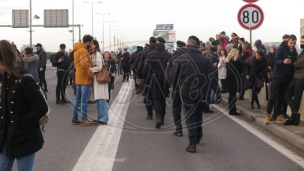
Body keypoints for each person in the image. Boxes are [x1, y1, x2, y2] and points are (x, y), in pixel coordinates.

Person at [0, 40, 48, 171]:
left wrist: (22, 121)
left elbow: (42, 107)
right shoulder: (4, 77)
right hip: (6, 135)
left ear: (4, 60)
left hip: (25, 136)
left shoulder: (25, 79)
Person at [169, 36, 217, 153]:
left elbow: (172, 75)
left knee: (190, 116)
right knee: (198, 113)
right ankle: (198, 133)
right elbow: (212, 77)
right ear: (198, 46)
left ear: (188, 45)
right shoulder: (205, 60)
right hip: (201, 91)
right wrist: (216, 91)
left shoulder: (181, 59)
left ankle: (192, 143)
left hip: (186, 91)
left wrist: (173, 87)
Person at [264, 35, 298, 125]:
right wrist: (283, 62)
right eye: (291, 43)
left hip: (287, 78)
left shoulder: (294, 52)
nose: (292, 45)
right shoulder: (281, 49)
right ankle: (267, 115)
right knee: (273, 96)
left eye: (294, 43)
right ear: (288, 41)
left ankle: (279, 115)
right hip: (278, 76)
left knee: (281, 97)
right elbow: (275, 61)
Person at [143, 37, 171, 129]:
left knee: (156, 98)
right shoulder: (168, 55)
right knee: (163, 98)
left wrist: (146, 81)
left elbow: (146, 69)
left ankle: (158, 116)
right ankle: (162, 118)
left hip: (154, 79)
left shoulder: (151, 54)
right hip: (165, 79)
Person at [71, 34, 96, 126]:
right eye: (91, 42)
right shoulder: (83, 51)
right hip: (85, 78)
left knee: (77, 99)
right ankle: (84, 119)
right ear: (88, 42)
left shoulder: (76, 50)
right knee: (84, 100)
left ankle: (74, 117)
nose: (91, 44)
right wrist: (91, 76)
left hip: (78, 77)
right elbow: (85, 65)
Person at [165, 40, 187, 137]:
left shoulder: (173, 58)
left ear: (177, 47)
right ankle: (194, 131)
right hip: (190, 87)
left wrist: (167, 87)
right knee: (190, 109)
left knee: (176, 108)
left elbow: (169, 74)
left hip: (177, 87)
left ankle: (179, 129)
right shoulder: (190, 57)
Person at [284, 35, 304, 126]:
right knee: (287, 95)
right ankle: (295, 113)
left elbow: (298, 63)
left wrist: (293, 63)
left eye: (302, 42)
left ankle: (293, 118)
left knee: (296, 99)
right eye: (301, 41)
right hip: (296, 77)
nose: (301, 43)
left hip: (301, 78)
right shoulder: (302, 52)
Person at [89, 40, 109, 125]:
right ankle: (100, 117)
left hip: (99, 78)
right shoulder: (92, 54)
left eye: (92, 44)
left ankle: (104, 118)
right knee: (97, 100)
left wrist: (89, 70)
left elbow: (99, 67)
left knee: (101, 99)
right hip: (95, 79)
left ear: (95, 45)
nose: (90, 45)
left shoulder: (97, 54)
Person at [225, 48, 243, 115]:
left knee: (231, 96)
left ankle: (231, 110)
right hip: (234, 80)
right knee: (233, 96)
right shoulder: (236, 61)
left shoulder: (228, 60)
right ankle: (233, 110)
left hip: (228, 80)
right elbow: (241, 67)